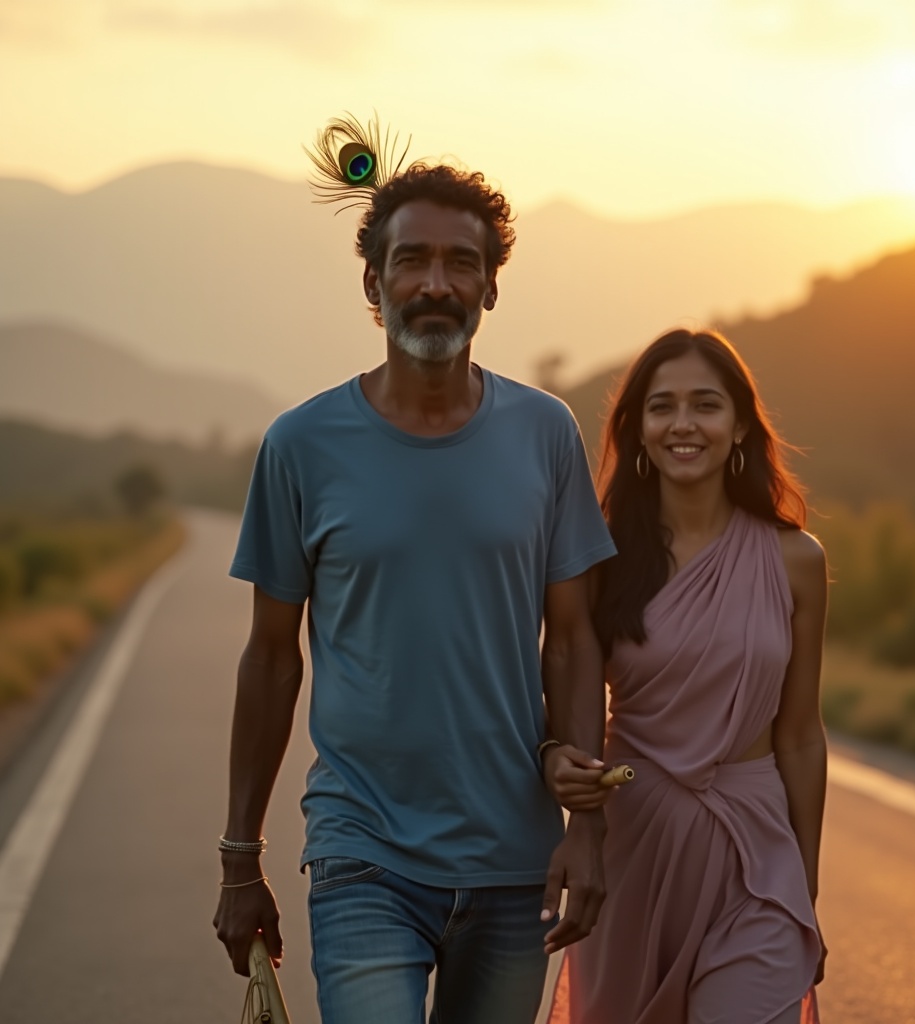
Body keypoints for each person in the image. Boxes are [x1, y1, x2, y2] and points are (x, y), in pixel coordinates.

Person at [212, 116, 617, 1024]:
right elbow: (273, 660)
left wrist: (585, 829)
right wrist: (241, 859)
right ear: (373, 281)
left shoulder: (545, 434)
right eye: (412, 261)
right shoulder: (301, 446)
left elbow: (574, 637)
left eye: (460, 264)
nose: (436, 284)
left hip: (514, 858)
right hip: (363, 849)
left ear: (490, 288)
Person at [545, 328, 828, 1024]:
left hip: (756, 856)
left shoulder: (798, 560)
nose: (683, 424)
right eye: (662, 406)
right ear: (637, 431)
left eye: (705, 405)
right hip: (635, 842)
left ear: (739, 427)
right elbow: (568, 687)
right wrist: (564, 778)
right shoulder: (599, 556)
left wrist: (804, 887)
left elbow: (798, 735)